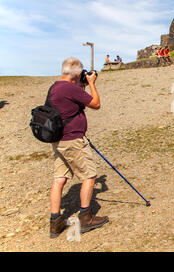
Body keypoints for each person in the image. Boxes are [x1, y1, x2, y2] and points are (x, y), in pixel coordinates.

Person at [49, 57, 109, 238]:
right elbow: (96, 104)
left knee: (59, 179)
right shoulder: (70, 88)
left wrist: (80, 84)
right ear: (77, 74)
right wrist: (91, 83)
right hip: (73, 140)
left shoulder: (55, 87)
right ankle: (85, 217)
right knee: (89, 176)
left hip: (58, 141)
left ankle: (55, 221)